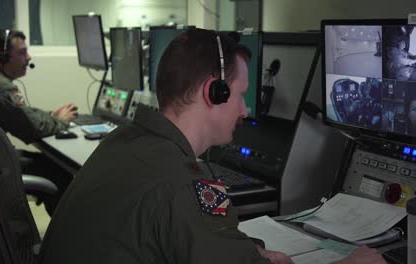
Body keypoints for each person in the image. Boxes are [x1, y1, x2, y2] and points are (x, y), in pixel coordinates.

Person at [39, 28, 386, 264]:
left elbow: (176, 236)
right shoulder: (183, 182)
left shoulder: (126, 140)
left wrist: (245, 251)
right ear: (213, 92)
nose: (246, 110)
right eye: (239, 95)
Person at [0, 29, 77, 214]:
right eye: (22, 52)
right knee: (59, 171)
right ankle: (64, 237)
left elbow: (23, 113)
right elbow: (33, 129)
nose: (29, 57)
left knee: (48, 162)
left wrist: (51, 116)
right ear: (1, 57)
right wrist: (61, 121)